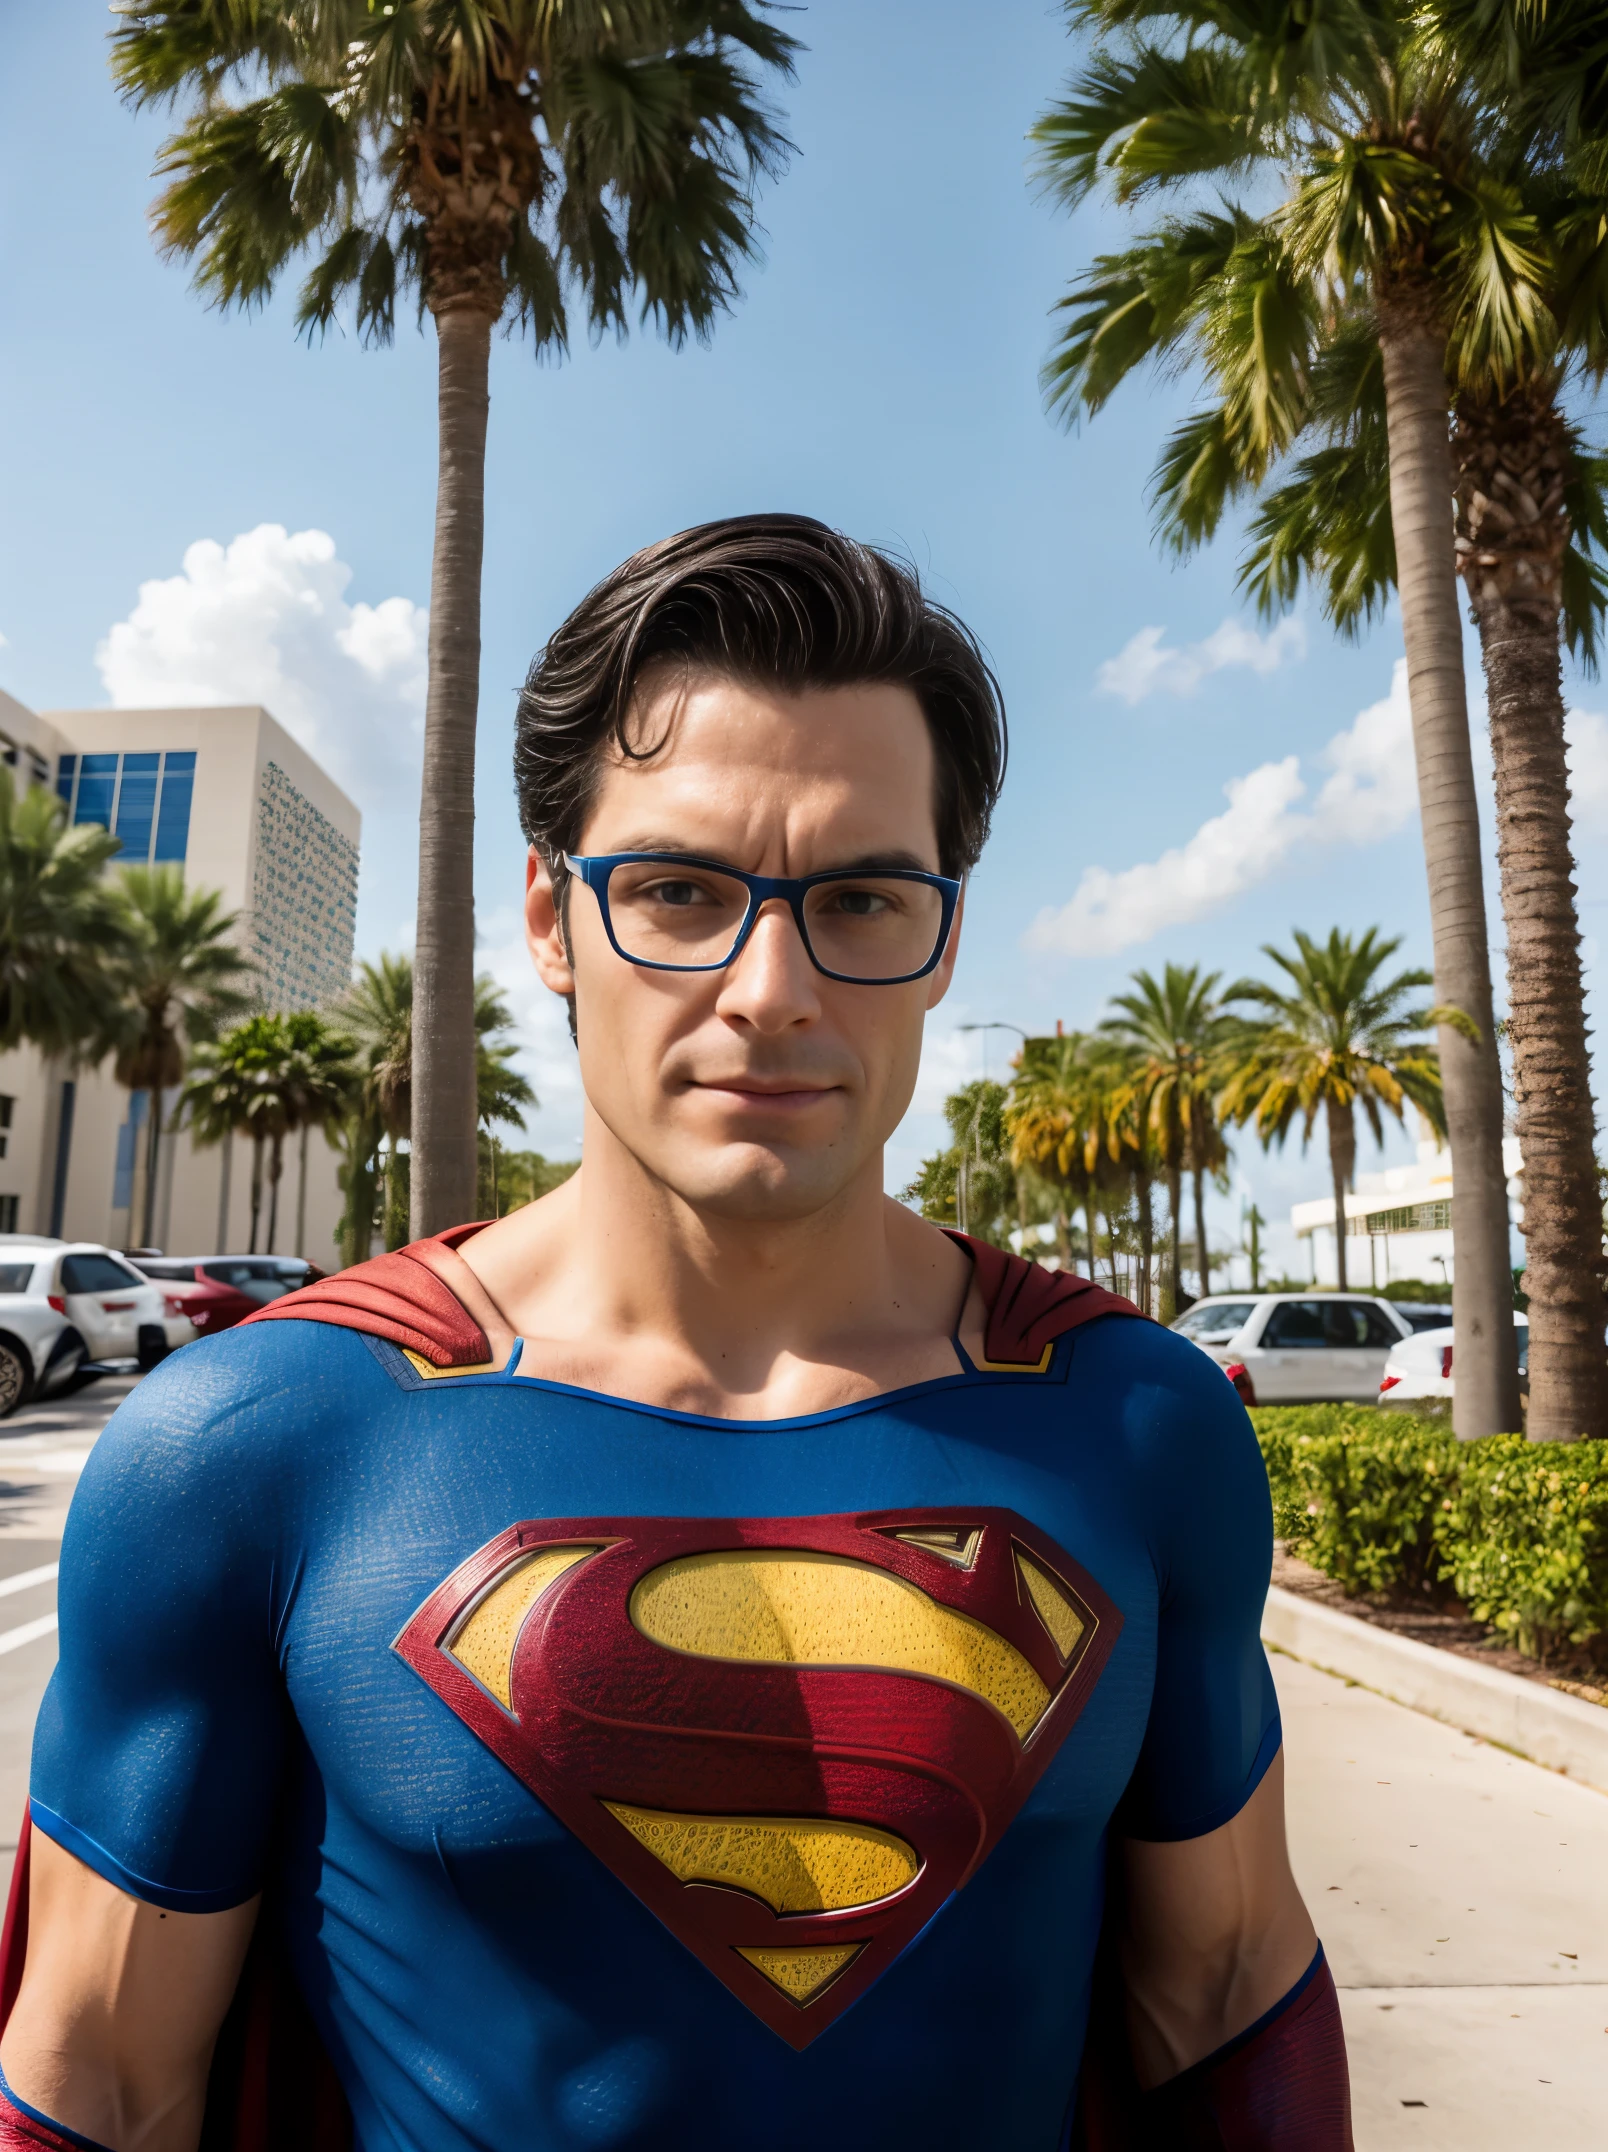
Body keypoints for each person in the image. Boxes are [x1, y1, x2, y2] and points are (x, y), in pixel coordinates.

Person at [0, 516, 1349, 2151]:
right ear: (552, 920)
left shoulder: (1140, 1426)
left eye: (860, 898)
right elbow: (105, 2075)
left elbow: (1222, 1995)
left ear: (944, 941)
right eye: (681, 891)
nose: (771, 985)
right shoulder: (255, 1448)